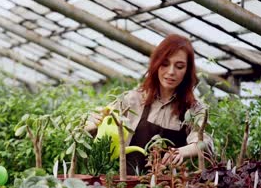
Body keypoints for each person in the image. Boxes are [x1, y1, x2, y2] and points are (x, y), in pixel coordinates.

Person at [86, 34, 213, 174]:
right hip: (127, 185)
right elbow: (102, 129)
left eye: (179, 66)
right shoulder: (133, 100)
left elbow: (205, 142)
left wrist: (182, 151)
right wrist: (92, 124)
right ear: (156, 65)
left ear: (187, 71)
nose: (171, 72)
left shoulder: (193, 108)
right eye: (165, 64)